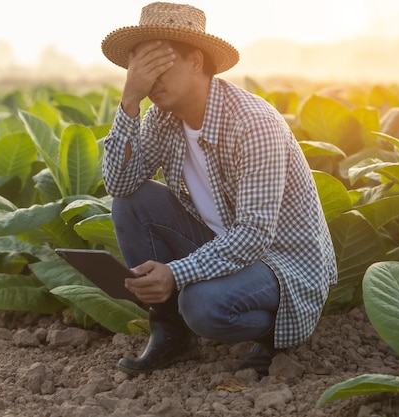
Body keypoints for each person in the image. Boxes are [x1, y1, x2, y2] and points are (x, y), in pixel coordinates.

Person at [100, 2, 338, 377]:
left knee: (202, 305)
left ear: (196, 61)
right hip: (220, 244)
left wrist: (176, 274)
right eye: (141, 69)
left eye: (159, 64)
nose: (150, 80)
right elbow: (120, 184)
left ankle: (276, 334)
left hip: (281, 261)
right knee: (132, 201)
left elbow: (255, 234)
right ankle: (171, 334)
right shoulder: (161, 117)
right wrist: (129, 102)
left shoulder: (252, 123)